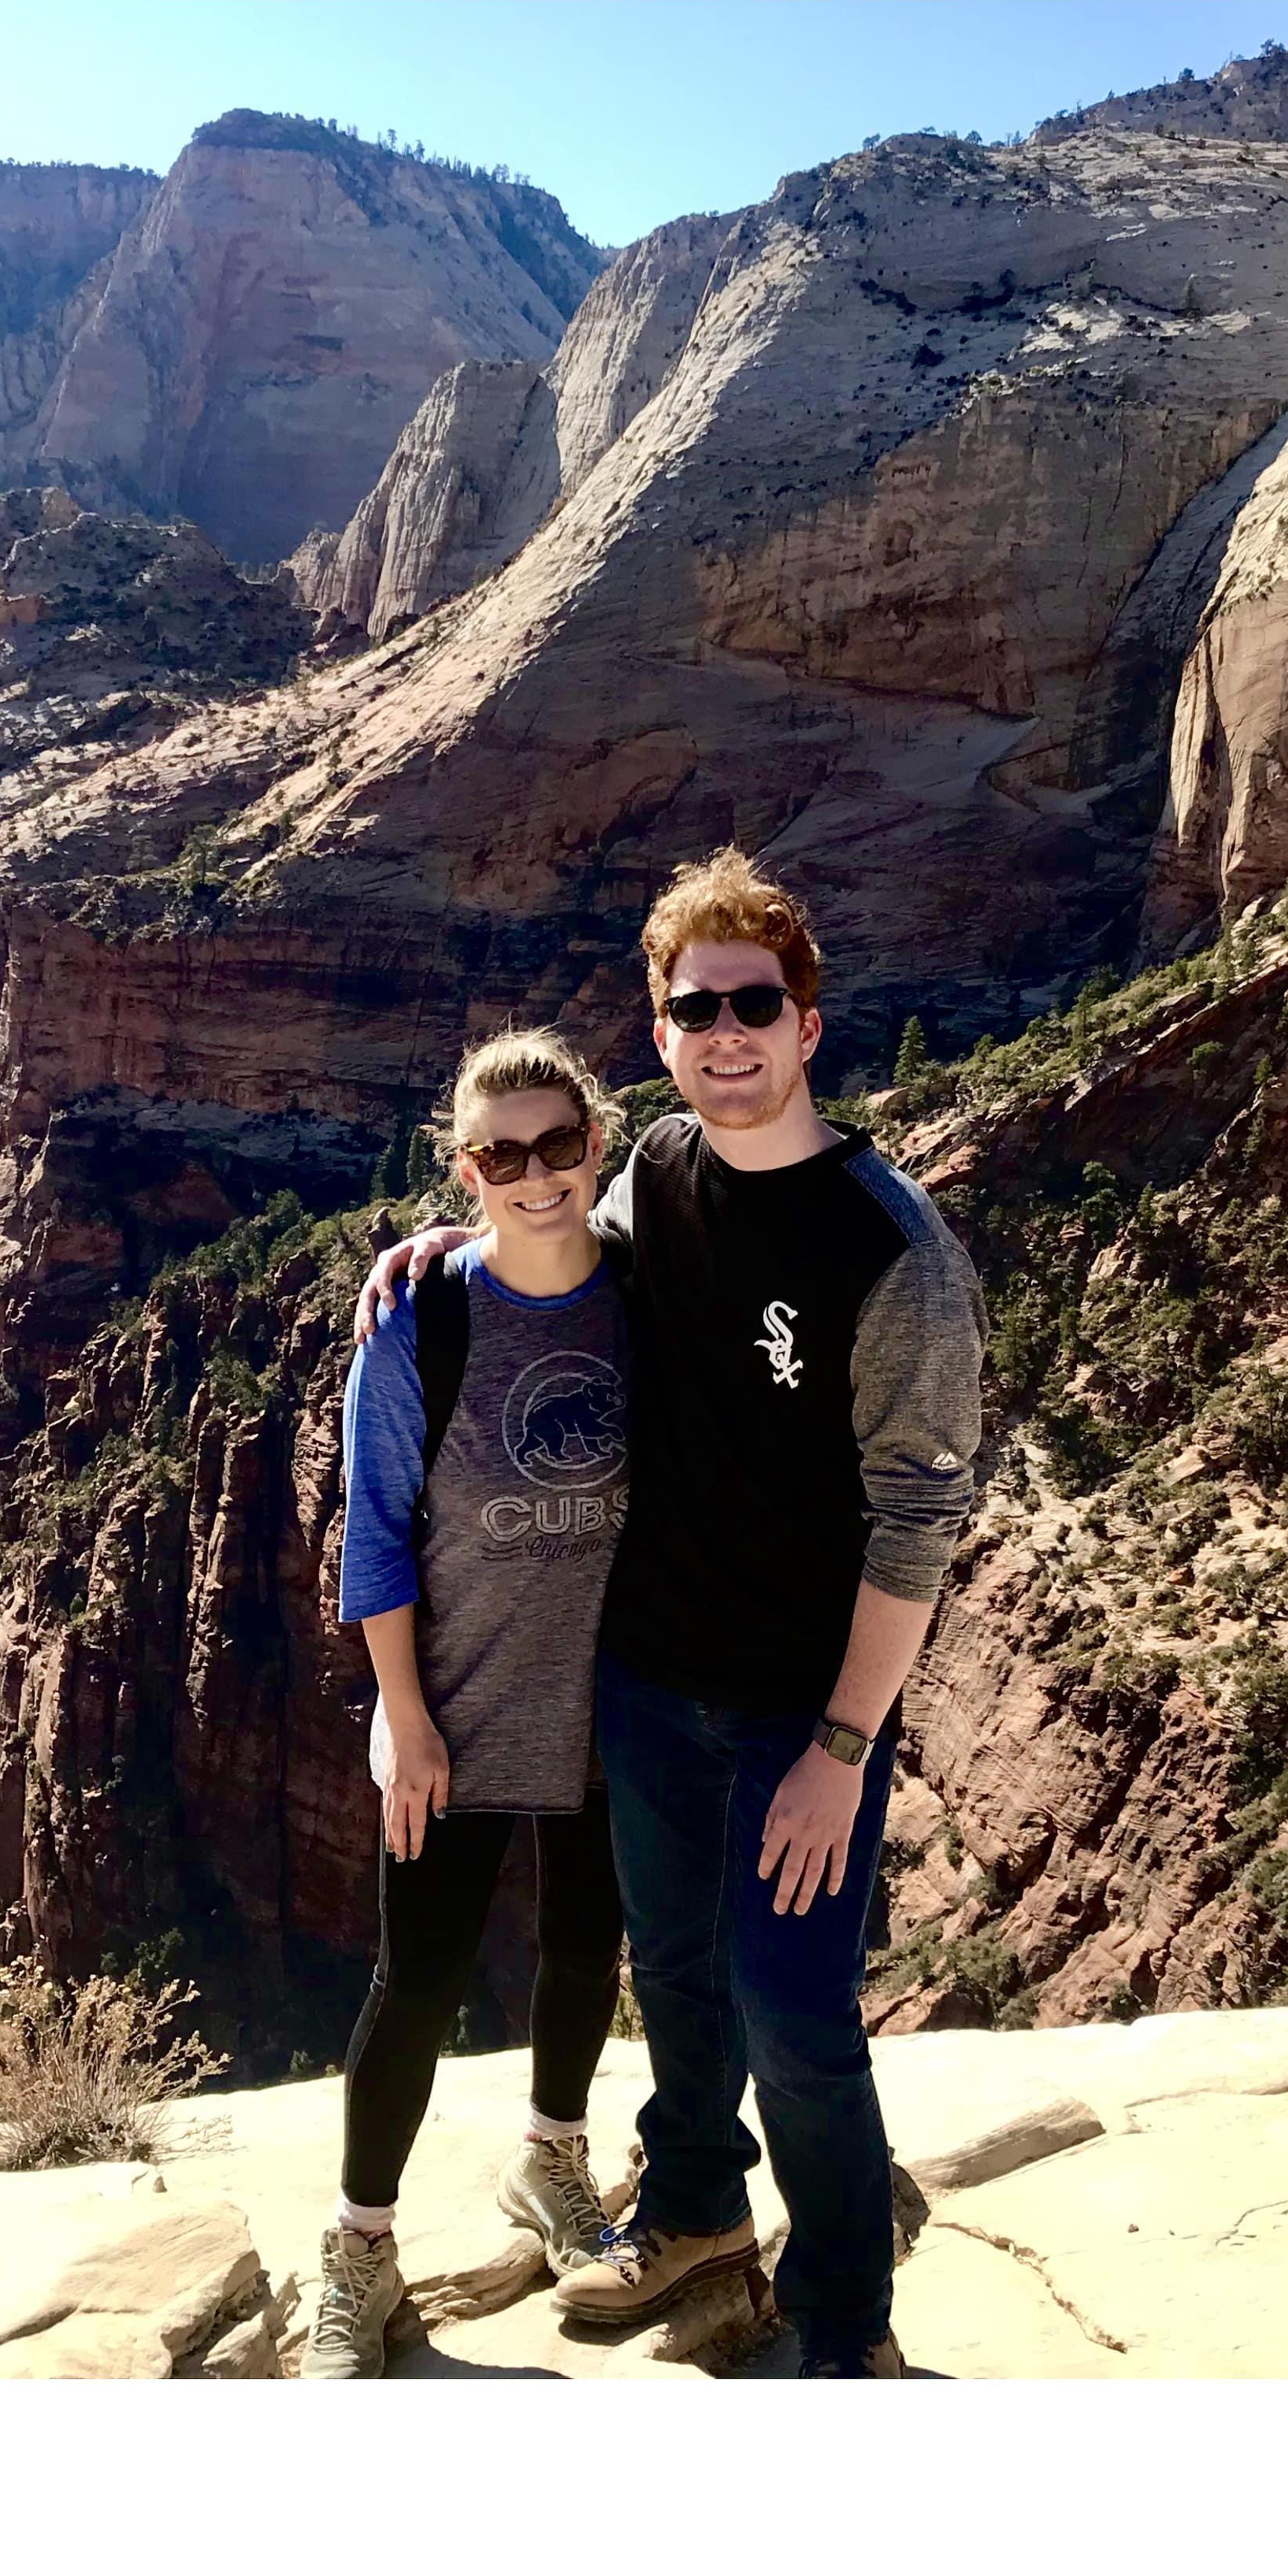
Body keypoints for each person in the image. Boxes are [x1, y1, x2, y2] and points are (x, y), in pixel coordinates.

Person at [362, 851, 984, 2377]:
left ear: (809, 1023)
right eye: (693, 1007)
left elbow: (922, 1519)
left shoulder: (890, 1250)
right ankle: (699, 2209)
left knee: (799, 2022)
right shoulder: (657, 1174)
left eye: (753, 1003)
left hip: (796, 1712)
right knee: (684, 1984)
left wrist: (846, 1742)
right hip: (646, 1685)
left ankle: (847, 2329)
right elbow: (554, 1241)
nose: (725, 1031)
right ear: (660, 1035)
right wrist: (446, 1252)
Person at [301, 1028, 637, 2381]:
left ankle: (552, 2162)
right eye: (503, 1156)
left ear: (596, 1147)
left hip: (617, 1697)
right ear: (466, 1166)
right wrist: (408, 1717)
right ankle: (360, 2255)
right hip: (457, 1703)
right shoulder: (417, 1325)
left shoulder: (648, 1285)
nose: (535, 1176)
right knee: (419, 1981)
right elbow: (376, 1539)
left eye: (559, 1146)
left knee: (582, 1949)